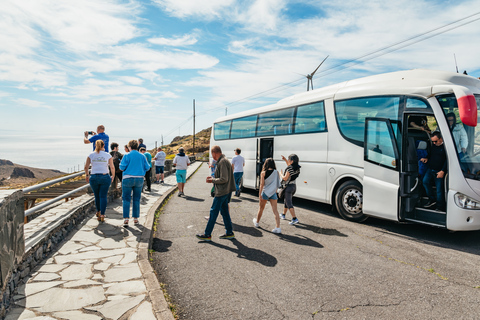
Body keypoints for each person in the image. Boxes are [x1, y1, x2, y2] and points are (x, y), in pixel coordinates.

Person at [196, 145, 236, 241]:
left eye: (212, 154)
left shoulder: (222, 162)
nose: (212, 156)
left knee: (213, 212)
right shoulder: (225, 160)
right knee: (225, 212)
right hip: (226, 191)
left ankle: (207, 234)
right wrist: (213, 179)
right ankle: (229, 232)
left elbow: (224, 179)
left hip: (221, 192)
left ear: (214, 153)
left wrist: (212, 180)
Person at [119, 140, 151, 227]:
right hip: (139, 179)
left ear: (129, 147)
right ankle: (136, 218)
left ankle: (126, 219)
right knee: (136, 198)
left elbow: (121, 167)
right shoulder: (142, 156)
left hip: (127, 179)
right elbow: (147, 167)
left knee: (126, 199)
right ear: (137, 146)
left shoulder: (126, 155)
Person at [84, 140, 115, 222]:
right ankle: (102, 214)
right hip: (105, 176)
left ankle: (98, 211)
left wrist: (87, 175)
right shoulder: (108, 155)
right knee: (103, 196)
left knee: (97, 196)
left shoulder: (91, 155)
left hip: (94, 177)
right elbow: (112, 167)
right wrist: (113, 176)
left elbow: (86, 167)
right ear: (103, 145)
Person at [253, 158, 282, 233]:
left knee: (261, 208)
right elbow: (278, 183)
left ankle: (257, 223)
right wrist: (275, 191)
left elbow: (262, 185)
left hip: (265, 192)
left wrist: (260, 194)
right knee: (275, 211)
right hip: (273, 193)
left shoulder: (263, 173)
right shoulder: (277, 172)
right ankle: (278, 228)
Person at [421, 132, 447, 211]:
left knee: (439, 190)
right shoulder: (434, 146)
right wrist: (427, 158)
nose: (434, 143)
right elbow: (431, 154)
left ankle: (440, 206)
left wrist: (443, 171)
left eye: (436, 141)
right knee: (425, 182)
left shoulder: (446, 147)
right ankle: (432, 199)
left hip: (439, 171)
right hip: (430, 169)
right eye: (433, 141)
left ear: (441, 139)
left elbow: (447, 161)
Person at [279, 154, 301, 225]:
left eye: (289, 160)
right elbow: (289, 166)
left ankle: (294, 218)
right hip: (293, 186)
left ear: (292, 161)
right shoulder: (297, 167)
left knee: (289, 203)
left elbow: (285, 178)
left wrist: (281, 174)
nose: (288, 161)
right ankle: (283, 214)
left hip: (288, 187)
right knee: (286, 201)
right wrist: (285, 159)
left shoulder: (289, 169)